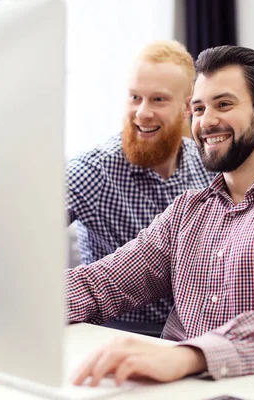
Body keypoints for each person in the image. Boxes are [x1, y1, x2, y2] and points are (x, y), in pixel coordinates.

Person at [66, 45, 254, 386]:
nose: (206, 121)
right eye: (199, 108)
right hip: (176, 389)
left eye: (224, 104)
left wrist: (189, 356)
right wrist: (23, 305)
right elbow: (103, 283)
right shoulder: (188, 210)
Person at [66, 40, 213, 326]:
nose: (142, 112)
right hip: (113, 334)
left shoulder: (208, 167)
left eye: (158, 99)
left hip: (191, 335)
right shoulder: (93, 170)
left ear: (188, 107)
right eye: (135, 97)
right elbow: (25, 241)